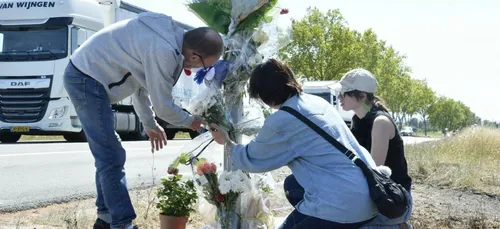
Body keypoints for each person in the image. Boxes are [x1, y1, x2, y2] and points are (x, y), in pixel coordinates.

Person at [63, 12, 223, 229]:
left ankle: (106, 219)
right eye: (204, 65)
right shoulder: (163, 50)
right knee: (110, 154)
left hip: (90, 76)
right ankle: (122, 223)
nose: (200, 69)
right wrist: (190, 121)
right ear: (194, 56)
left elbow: (140, 85)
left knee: (108, 154)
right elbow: (163, 106)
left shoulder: (166, 37)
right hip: (86, 78)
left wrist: (149, 124)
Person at [210, 59, 380, 229]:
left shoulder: (282, 120)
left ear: (264, 95)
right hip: (369, 194)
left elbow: (252, 158)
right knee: (292, 184)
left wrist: (227, 142)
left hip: (343, 206)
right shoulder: (317, 102)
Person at [334, 69, 413, 228]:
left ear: (362, 96)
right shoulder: (358, 119)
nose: (339, 98)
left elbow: (375, 172)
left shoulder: (380, 122)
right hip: (377, 195)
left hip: (393, 200)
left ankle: (397, 224)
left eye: (344, 93)